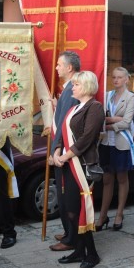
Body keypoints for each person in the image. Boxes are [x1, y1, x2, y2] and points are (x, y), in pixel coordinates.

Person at [53, 71, 105, 268]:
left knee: (80, 210)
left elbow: (87, 138)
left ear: (85, 86)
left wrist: (66, 156)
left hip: (82, 165)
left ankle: (91, 254)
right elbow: (60, 133)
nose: (72, 88)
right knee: (70, 210)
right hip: (68, 165)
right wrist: (57, 151)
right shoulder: (73, 109)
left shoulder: (95, 107)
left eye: (75, 85)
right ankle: (78, 250)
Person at [96, 67, 134, 231]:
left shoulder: (131, 97)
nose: (116, 80)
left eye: (120, 77)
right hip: (106, 143)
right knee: (106, 180)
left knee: (121, 178)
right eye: (114, 77)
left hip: (121, 143)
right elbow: (99, 118)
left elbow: (127, 122)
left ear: (127, 79)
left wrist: (108, 122)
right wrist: (115, 120)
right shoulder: (107, 95)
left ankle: (119, 213)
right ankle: (103, 215)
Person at [49, 51, 80, 252]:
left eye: (60, 64)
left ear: (70, 68)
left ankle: (71, 238)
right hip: (64, 149)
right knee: (64, 196)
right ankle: (69, 231)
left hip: (66, 152)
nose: (56, 67)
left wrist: (56, 150)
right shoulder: (68, 89)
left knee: (66, 197)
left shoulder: (72, 90)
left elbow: (64, 124)